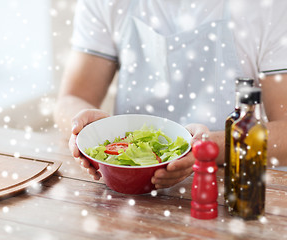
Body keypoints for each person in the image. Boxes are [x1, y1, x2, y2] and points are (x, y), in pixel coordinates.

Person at [53, 0, 287, 189]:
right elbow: (70, 100)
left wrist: (204, 148)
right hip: (125, 189)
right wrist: (85, 131)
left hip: (232, 187)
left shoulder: (269, 8)